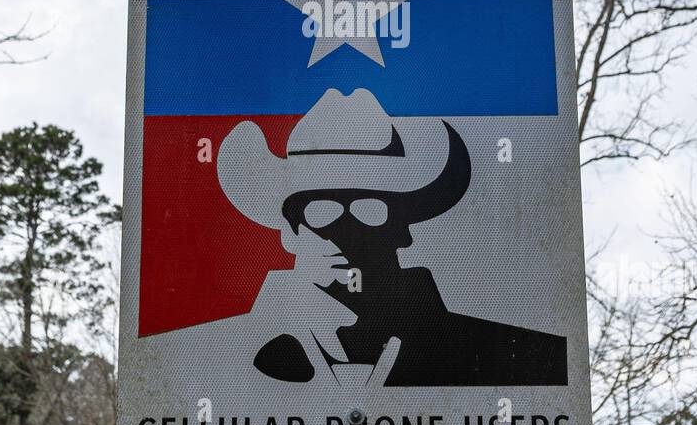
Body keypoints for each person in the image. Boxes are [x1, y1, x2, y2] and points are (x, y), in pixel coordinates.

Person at [217, 88, 567, 388]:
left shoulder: (519, 358)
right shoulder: (218, 355)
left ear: (402, 228)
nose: (346, 230)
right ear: (290, 233)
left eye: (371, 208)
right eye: (321, 210)